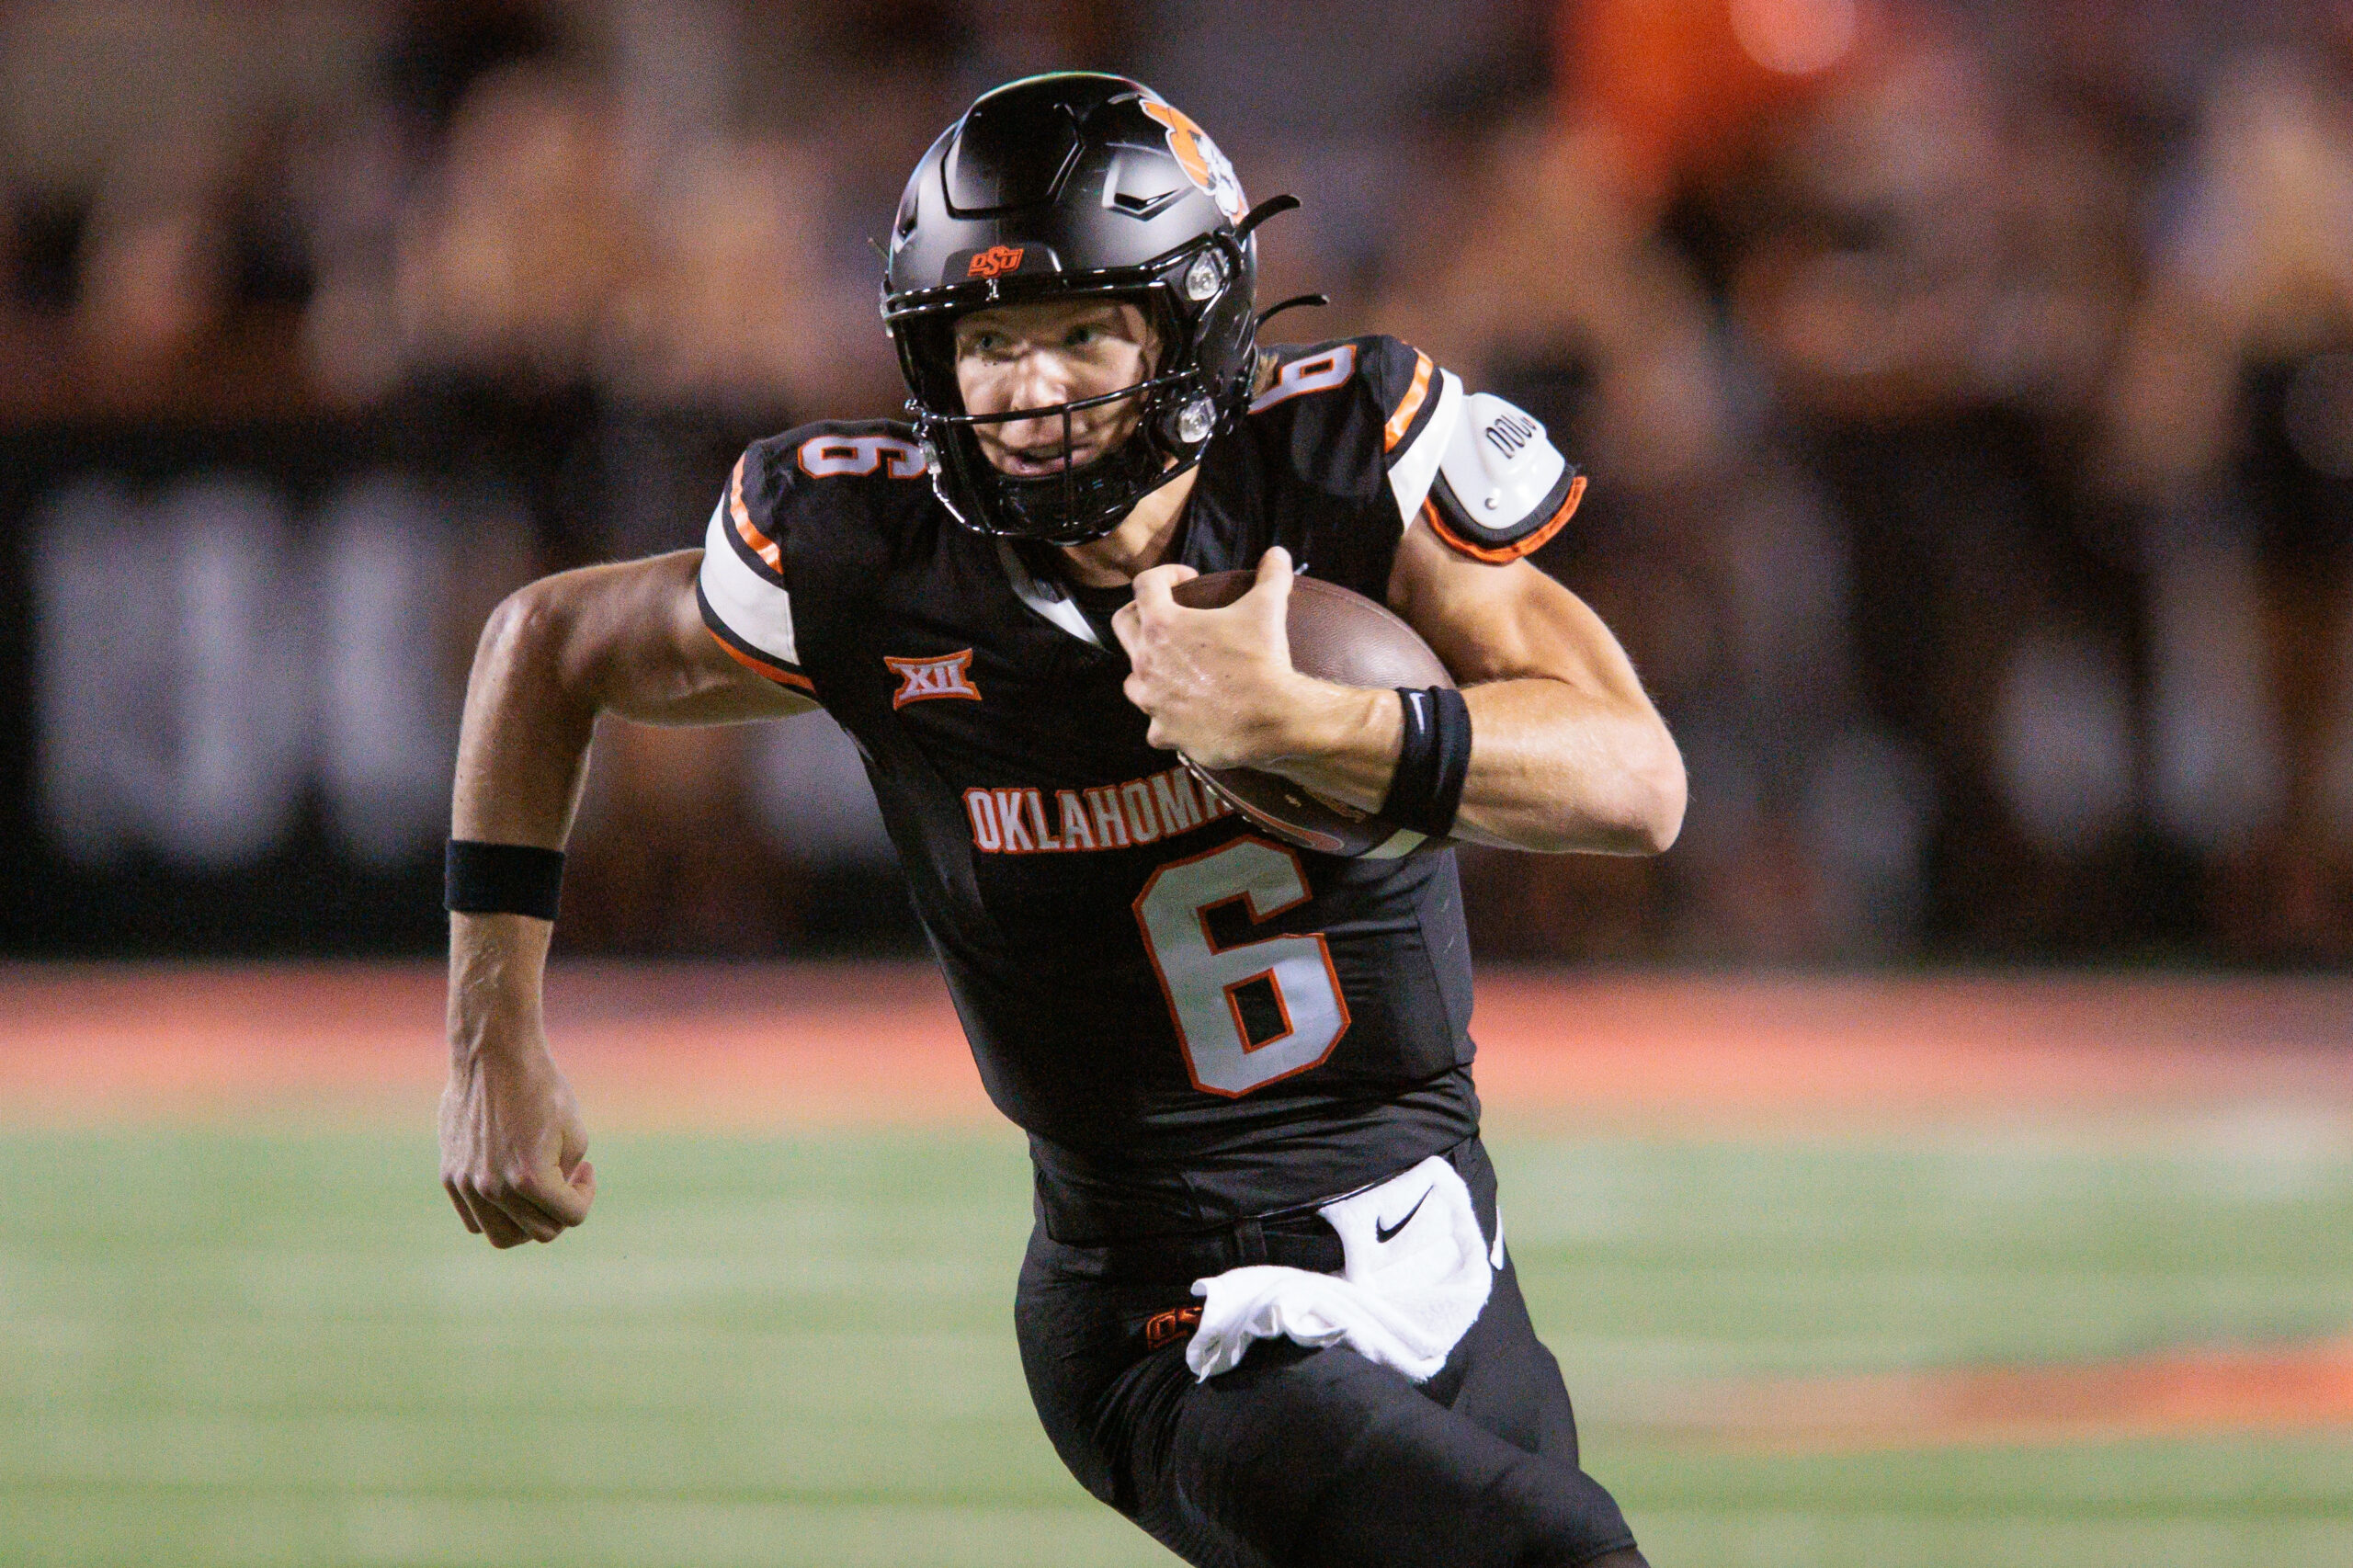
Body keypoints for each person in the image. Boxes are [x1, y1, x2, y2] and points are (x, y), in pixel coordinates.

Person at [438, 73, 1682, 1568]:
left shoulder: (1332, 464)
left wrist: (1315, 730)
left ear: (1197, 324)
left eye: (1084, 331)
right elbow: (544, 644)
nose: (1030, 393)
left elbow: (1635, 780)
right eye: (989, 343)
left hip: (1441, 1226)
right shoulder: (876, 554)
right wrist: (491, 1039)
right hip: (1166, 1302)